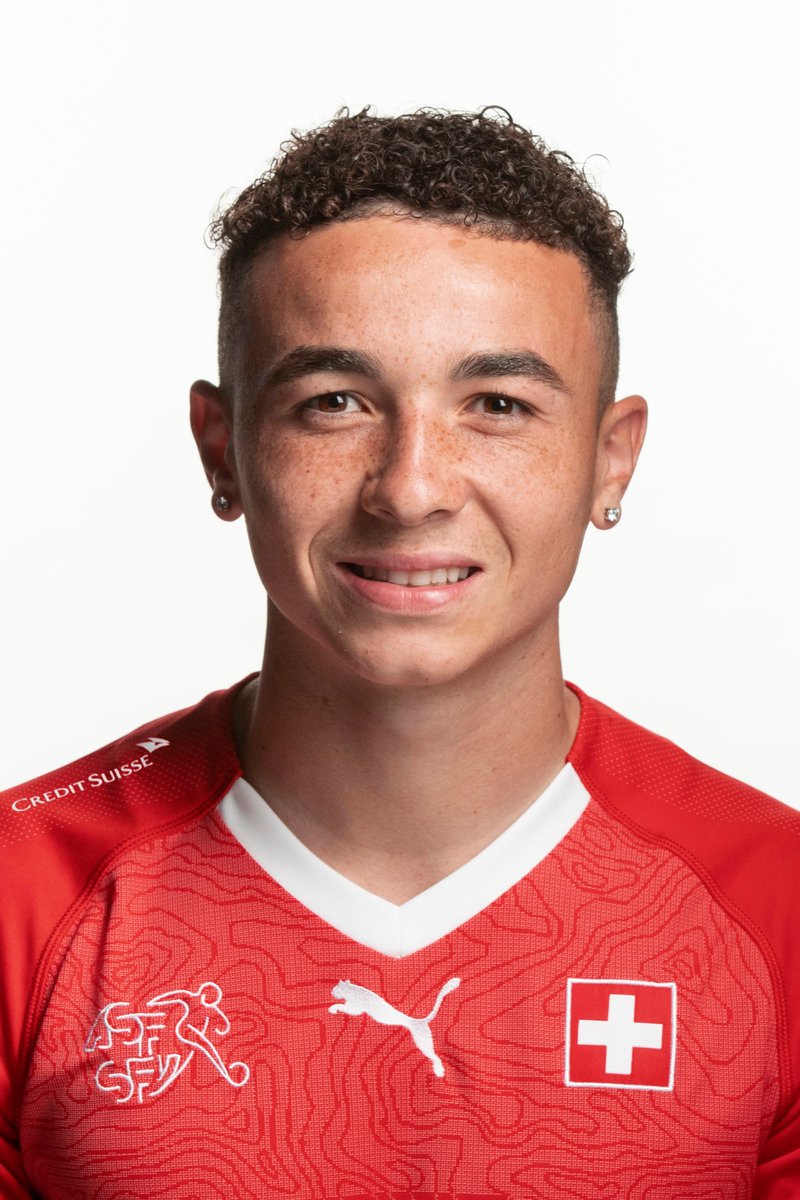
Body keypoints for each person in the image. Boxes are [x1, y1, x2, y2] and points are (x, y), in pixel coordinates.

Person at [1, 107, 797, 1199]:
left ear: (609, 461)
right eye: (333, 403)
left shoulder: (773, 909)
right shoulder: (23, 897)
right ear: (222, 450)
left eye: (497, 405)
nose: (411, 488)